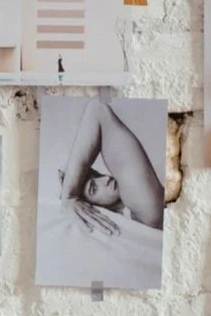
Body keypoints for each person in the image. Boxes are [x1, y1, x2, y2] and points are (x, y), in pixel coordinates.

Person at [58, 99, 164, 236]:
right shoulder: (148, 209)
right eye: (94, 189)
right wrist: (68, 196)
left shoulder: (143, 206)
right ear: (91, 207)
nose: (106, 179)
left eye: (98, 175)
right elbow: (97, 110)